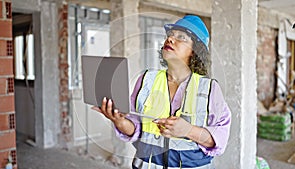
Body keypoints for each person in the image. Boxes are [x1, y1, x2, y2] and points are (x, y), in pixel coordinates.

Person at [92, 15, 231, 169]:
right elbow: (135, 129)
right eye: (170, 35)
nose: (170, 39)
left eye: (181, 37)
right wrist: (119, 121)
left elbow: (219, 139)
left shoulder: (210, 89)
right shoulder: (146, 80)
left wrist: (188, 130)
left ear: (194, 51)